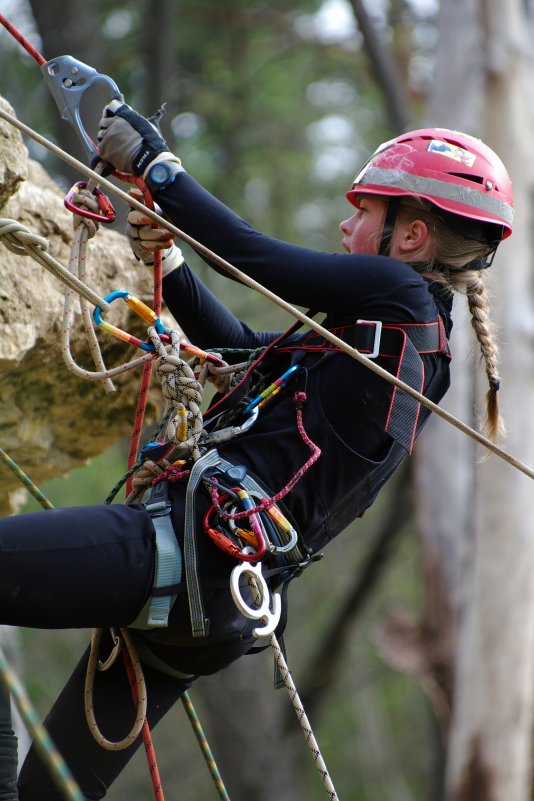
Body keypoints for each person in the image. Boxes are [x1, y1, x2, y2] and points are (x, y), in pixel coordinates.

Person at [1, 103, 512, 799]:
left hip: (185, 552)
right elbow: (248, 358)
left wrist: (156, 165)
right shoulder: (414, 351)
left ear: (412, 235)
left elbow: (251, 255)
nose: (344, 224)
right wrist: (174, 266)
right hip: (214, 606)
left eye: (364, 211)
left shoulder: (395, 296)